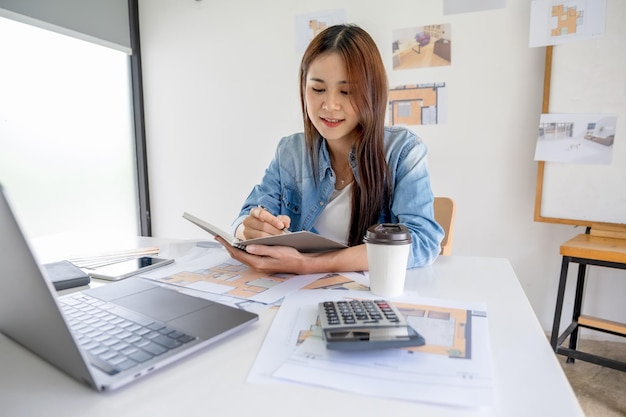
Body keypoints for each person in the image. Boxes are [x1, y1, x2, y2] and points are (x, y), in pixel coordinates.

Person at [215, 24, 443, 274]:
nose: (331, 105)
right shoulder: (291, 151)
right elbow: (247, 216)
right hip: (296, 293)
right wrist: (248, 228)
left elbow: (423, 242)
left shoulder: (402, 152)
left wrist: (311, 264)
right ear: (304, 87)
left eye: (347, 91)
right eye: (318, 89)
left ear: (371, 93)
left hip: (364, 298)